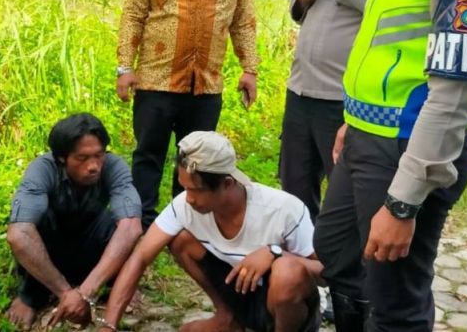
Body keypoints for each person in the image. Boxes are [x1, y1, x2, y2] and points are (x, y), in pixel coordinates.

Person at [313, 0, 467, 331]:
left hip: (408, 148)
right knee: (336, 252)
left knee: (396, 302)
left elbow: (453, 101)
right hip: (365, 135)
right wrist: (354, 118)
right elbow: (382, 49)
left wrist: (402, 204)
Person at [95, 131, 324, 332]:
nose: (189, 198)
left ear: (227, 183)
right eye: (185, 188)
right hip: (241, 296)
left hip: (289, 309)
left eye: (197, 190)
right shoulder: (185, 204)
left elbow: (324, 272)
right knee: (181, 240)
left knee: (287, 271)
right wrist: (109, 325)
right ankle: (228, 318)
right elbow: (140, 257)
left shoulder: (283, 209)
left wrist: (275, 253)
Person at [116, 0, 260, 230]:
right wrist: (125, 67)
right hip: (156, 80)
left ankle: (183, 223)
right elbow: (133, 15)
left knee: (196, 160)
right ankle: (141, 225)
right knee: (148, 155)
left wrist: (250, 68)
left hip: (206, 85)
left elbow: (243, 20)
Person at [5, 113, 143, 329]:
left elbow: (132, 227)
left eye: (99, 155)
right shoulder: (42, 170)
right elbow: (18, 234)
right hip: (52, 249)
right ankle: (31, 295)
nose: (93, 166)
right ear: (62, 158)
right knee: (38, 222)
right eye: (82, 158)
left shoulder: (114, 166)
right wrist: (67, 293)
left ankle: (116, 286)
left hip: (91, 251)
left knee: (120, 222)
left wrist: (85, 293)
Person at [280, 0, 377, 222]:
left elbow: (377, 10)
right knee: (295, 181)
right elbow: (299, 14)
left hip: (339, 98)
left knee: (342, 187)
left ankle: (342, 257)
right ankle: (301, 251)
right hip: (300, 89)